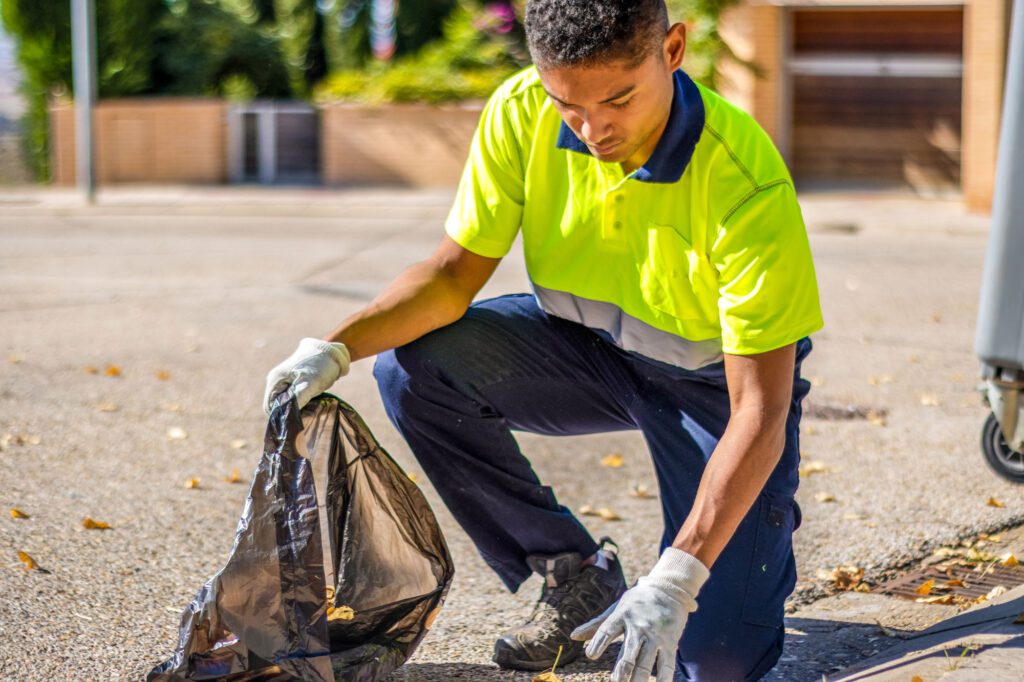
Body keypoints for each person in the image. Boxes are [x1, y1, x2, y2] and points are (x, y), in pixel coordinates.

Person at [263, 1, 823, 679]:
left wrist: (678, 580)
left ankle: (746, 542)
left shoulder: (743, 180)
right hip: (588, 353)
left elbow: (760, 409)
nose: (593, 129)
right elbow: (449, 278)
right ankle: (577, 574)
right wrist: (333, 348)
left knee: (718, 663)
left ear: (673, 50)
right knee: (413, 370)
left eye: (619, 99)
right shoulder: (521, 108)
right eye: (568, 104)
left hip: (714, 390)